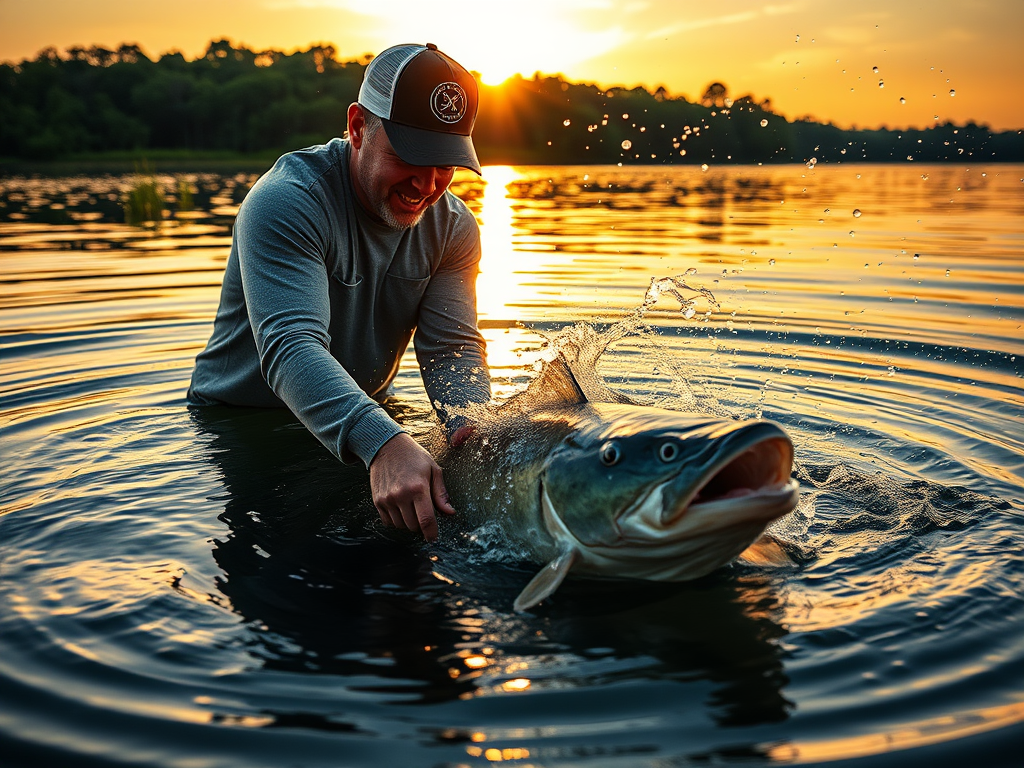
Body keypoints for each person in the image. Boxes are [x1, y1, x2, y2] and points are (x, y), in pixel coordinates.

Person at [188, 43, 491, 542]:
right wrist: (384, 444)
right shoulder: (286, 203)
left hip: (364, 418)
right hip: (243, 432)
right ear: (357, 127)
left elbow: (451, 349)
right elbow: (291, 348)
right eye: (410, 156)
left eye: (446, 163)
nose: (428, 182)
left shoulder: (455, 228)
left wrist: (469, 426)